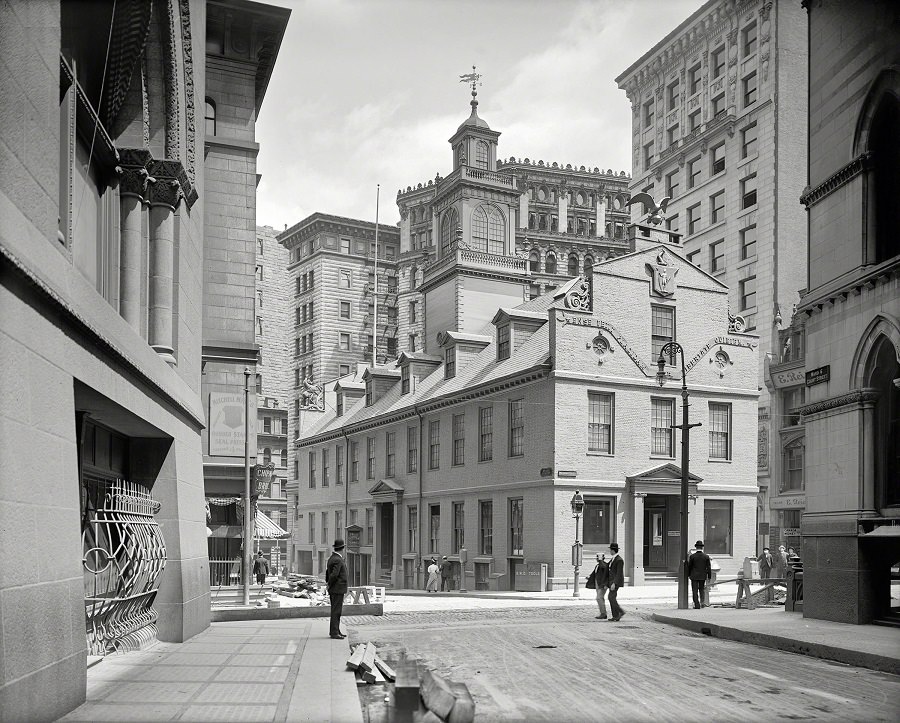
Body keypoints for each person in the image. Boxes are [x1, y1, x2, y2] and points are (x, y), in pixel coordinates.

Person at [326, 538, 349, 639]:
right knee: (336, 611)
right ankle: (334, 632)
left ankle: (336, 630)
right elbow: (334, 575)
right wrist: (330, 584)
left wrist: (328, 584)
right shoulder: (338, 560)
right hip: (337, 589)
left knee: (336, 610)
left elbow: (328, 573)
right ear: (342, 549)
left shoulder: (332, 558)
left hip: (335, 589)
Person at [687, 540, 712, 609]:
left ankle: (696, 604)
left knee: (694, 590)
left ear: (696, 547)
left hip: (694, 576)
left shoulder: (692, 556)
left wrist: (688, 574)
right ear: (702, 548)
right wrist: (709, 576)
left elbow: (689, 566)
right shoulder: (706, 557)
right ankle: (702, 603)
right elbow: (708, 567)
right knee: (701, 589)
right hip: (702, 576)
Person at [607, 543, 625, 621]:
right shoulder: (613, 559)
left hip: (615, 582)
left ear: (613, 550)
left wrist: (614, 583)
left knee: (611, 597)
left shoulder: (619, 560)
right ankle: (616, 616)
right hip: (611, 582)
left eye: (610, 550)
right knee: (611, 598)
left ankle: (620, 612)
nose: (610, 551)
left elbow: (619, 573)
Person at [592, 553, 610, 620]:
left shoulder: (604, 565)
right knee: (600, 598)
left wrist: (605, 584)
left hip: (602, 584)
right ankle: (603, 613)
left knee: (599, 598)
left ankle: (603, 614)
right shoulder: (597, 566)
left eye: (597, 557)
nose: (596, 559)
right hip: (598, 583)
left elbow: (606, 574)